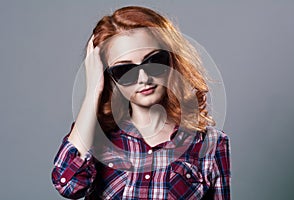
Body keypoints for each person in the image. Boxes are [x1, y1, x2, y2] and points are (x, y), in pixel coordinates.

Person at [51, 6, 231, 200]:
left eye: (154, 60)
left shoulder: (211, 144)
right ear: (109, 77)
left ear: (170, 60)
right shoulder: (95, 138)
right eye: (124, 71)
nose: (143, 78)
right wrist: (93, 90)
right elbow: (67, 184)